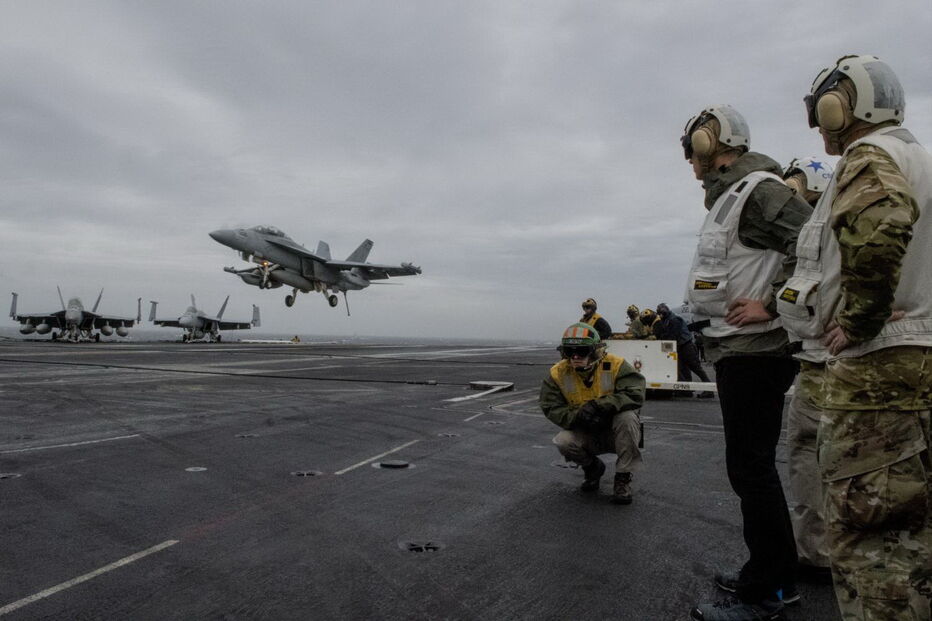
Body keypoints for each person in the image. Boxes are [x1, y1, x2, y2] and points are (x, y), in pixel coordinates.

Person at [777, 54, 932, 621]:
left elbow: (881, 226)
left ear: (843, 104)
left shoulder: (871, 156)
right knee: (911, 538)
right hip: (918, 362)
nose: (819, 124)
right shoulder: (918, 157)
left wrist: (861, 319)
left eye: (822, 108)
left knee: (868, 539)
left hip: (877, 373)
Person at [681, 105, 812, 620]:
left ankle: (773, 590)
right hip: (739, 351)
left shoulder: (759, 190)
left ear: (712, 141)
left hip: (757, 350)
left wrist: (774, 301)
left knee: (753, 470)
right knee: (750, 468)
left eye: (692, 145)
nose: (688, 158)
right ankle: (766, 572)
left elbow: (818, 246)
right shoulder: (734, 197)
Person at [781, 155, 836, 586]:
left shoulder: (828, 226)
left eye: (795, 183)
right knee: (805, 456)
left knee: (817, 457)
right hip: (812, 358)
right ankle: (816, 551)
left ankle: (822, 553)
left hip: (830, 360)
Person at [539, 322, 645, 504]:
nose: (575, 356)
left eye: (582, 350)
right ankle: (593, 468)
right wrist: (578, 416)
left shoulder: (616, 365)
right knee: (563, 441)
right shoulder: (558, 373)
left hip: (615, 431)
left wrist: (600, 406)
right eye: (570, 351)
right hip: (585, 429)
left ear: (595, 350)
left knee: (628, 418)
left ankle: (622, 478)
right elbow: (550, 406)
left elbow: (635, 393)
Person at [655, 302, 711, 383]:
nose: (660, 316)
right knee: (683, 368)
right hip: (680, 346)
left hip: (686, 346)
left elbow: (673, 336)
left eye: (660, 313)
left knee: (695, 367)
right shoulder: (668, 319)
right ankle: (686, 390)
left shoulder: (674, 319)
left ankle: (708, 386)